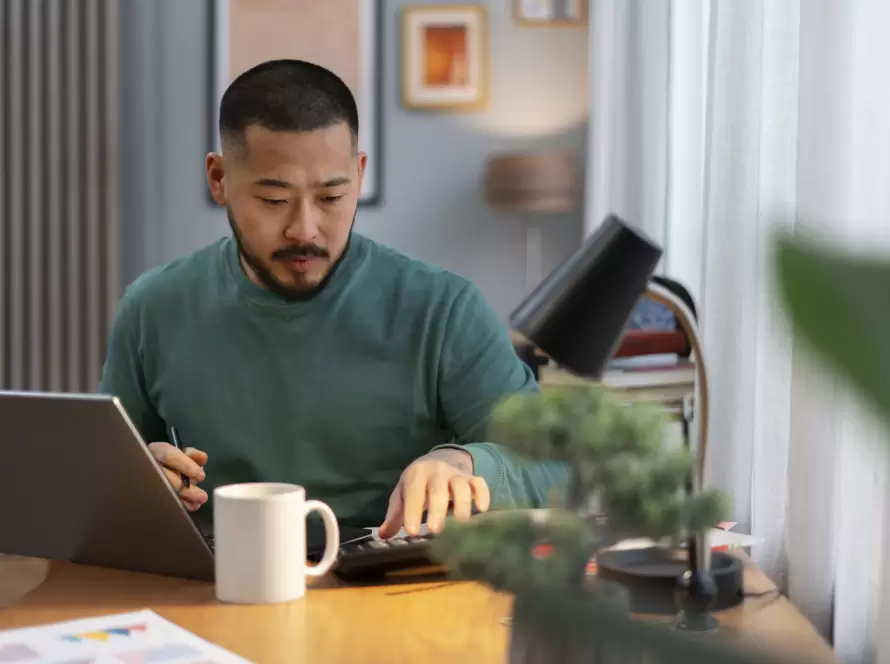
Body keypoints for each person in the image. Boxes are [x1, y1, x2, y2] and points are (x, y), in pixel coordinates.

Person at [98, 59, 568, 539]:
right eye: (274, 200)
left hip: (389, 586)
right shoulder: (152, 307)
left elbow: (555, 468)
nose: (304, 229)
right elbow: (99, 482)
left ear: (359, 175)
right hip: (215, 585)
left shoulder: (444, 309)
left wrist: (466, 461)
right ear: (219, 179)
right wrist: (141, 478)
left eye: (330, 197)